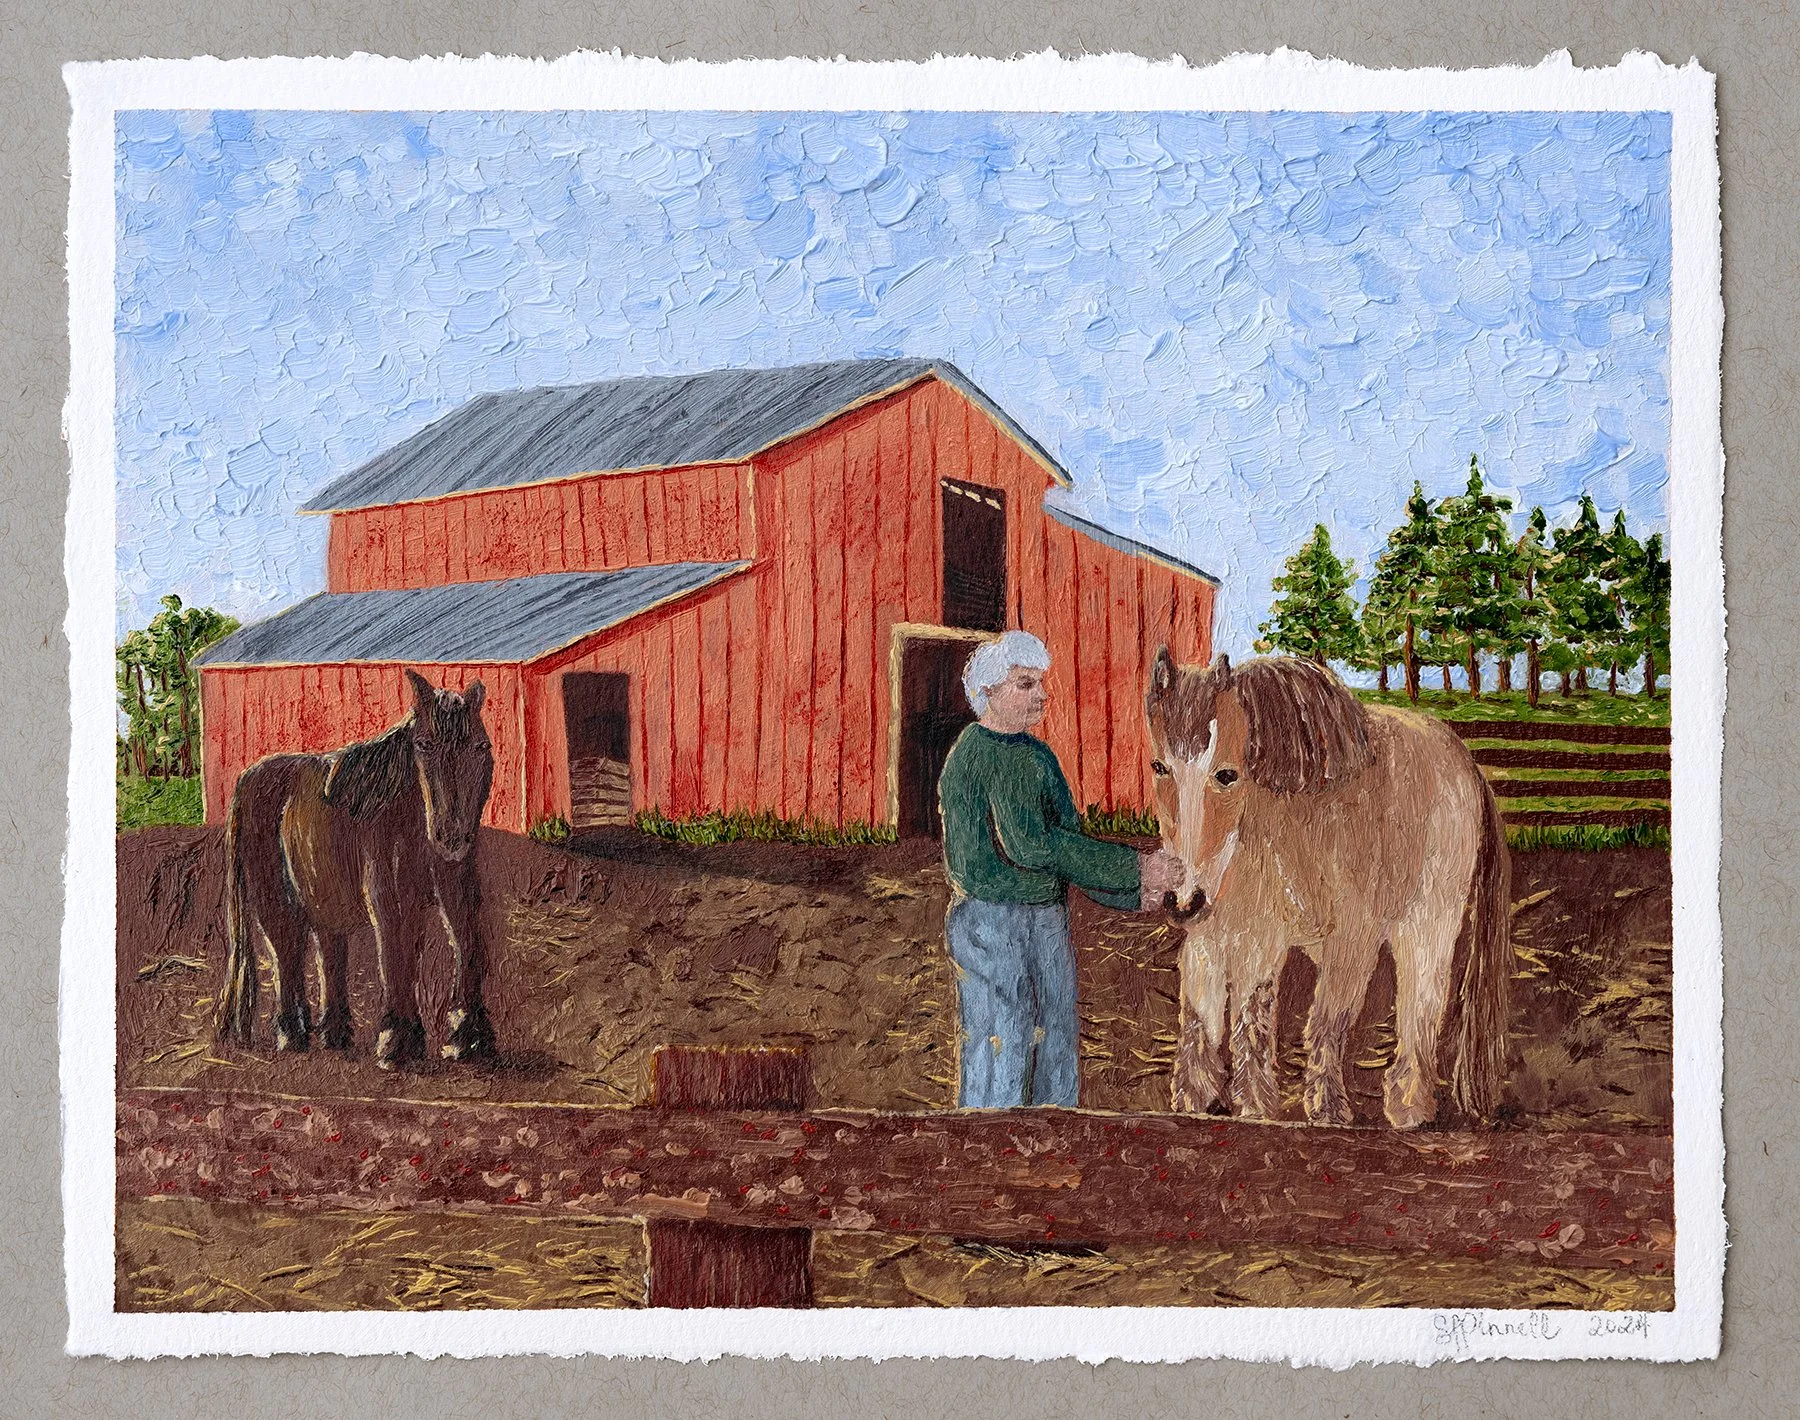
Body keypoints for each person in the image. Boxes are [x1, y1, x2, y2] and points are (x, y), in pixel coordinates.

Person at [937, 630, 1183, 1109]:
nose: (1041, 694)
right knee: (1002, 1036)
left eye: (1040, 683)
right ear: (988, 691)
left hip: (1045, 916)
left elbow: (1071, 846)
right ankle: (991, 1137)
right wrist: (1135, 868)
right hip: (991, 919)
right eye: (1025, 684)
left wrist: (1135, 893)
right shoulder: (975, 753)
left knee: (1056, 1031)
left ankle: (1056, 1132)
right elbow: (1032, 846)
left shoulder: (1038, 756)